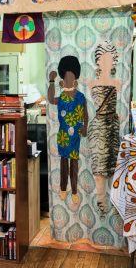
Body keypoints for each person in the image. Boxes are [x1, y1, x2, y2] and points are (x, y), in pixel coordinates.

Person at [48, 56, 88, 205]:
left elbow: (85, 114)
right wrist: (51, 81)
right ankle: (63, 188)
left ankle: (75, 190)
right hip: (63, 135)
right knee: (64, 162)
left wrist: (85, 126)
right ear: (63, 78)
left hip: (76, 135)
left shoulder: (80, 97)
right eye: (66, 76)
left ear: (75, 78)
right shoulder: (62, 97)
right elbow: (51, 99)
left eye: (71, 76)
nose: (69, 79)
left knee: (74, 163)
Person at [87, 42, 121, 216]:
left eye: (110, 58)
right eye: (103, 58)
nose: (106, 62)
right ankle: (102, 207)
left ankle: (114, 207)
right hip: (99, 127)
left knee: (113, 169)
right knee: (99, 171)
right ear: (98, 61)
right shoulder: (92, 83)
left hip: (112, 128)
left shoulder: (117, 83)